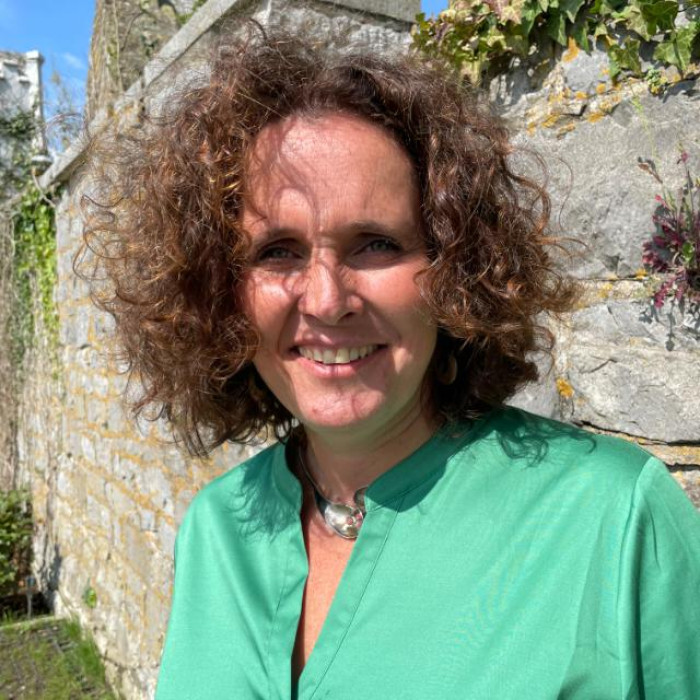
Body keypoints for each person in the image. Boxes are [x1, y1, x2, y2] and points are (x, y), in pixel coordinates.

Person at [82, 26, 700, 700]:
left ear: (457, 269)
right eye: (277, 251)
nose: (326, 300)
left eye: (375, 243)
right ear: (218, 290)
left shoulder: (613, 520)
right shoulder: (216, 529)